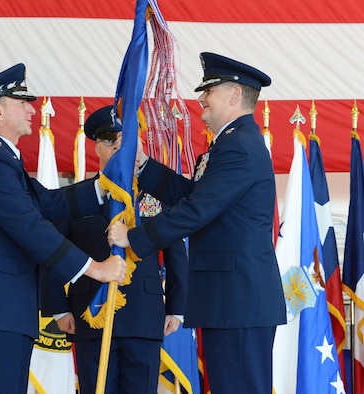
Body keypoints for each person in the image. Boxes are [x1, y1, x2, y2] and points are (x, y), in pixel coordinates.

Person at [108, 52, 287, 394]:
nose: (201, 97)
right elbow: (197, 196)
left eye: (210, 90)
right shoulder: (230, 145)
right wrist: (145, 167)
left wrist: (135, 237)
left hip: (238, 302)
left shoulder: (239, 147)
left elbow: (197, 209)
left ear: (235, 95)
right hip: (230, 300)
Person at [0, 64, 127, 394]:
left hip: (3, 307)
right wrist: (95, 269)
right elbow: (31, 227)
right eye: (22, 103)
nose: (32, 109)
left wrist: (106, 185)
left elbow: (48, 203)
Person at [40, 105, 188, 394]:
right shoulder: (72, 199)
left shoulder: (157, 195)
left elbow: (175, 254)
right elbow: (52, 253)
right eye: (110, 140)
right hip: (89, 315)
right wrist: (58, 308)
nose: (119, 147)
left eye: (127, 139)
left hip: (145, 317)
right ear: (96, 147)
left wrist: (177, 307)